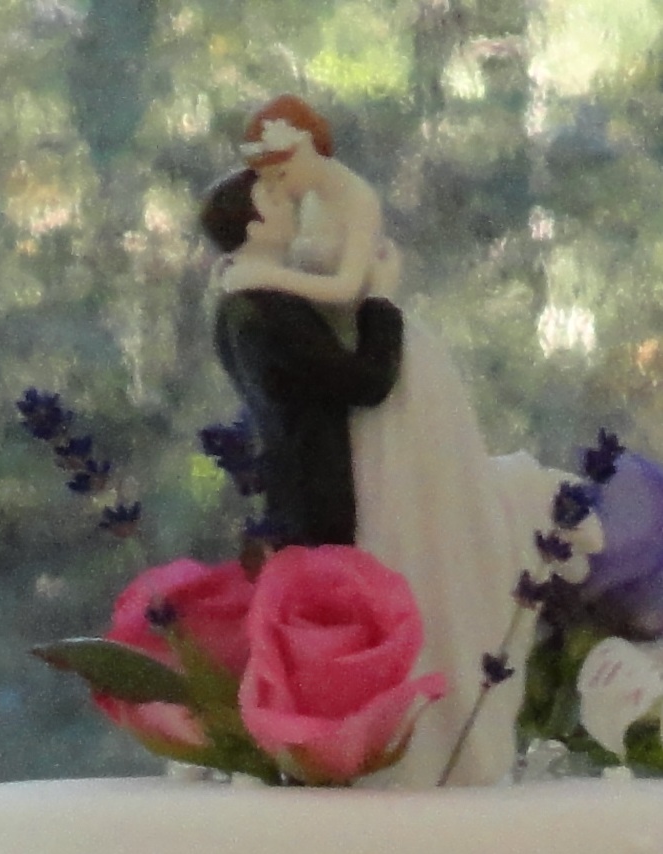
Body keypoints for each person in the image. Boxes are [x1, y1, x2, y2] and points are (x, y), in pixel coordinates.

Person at [218, 94, 603, 788]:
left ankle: (437, 717)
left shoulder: (345, 207)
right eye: (267, 184)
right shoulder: (261, 298)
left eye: (275, 172)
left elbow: (348, 291)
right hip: (364, 384)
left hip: (394, 370)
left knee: (420, 520)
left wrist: (271, 276)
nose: (274, 186)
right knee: (391, 530)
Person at [200, 167, 403, 548]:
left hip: (295, 492)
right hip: (316, 498)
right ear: (255, 228)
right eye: (274, 200)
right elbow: (366, 381)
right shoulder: (268, 313)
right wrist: (380, 302)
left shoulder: (243, 303)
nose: (290, 203)